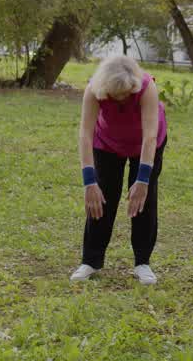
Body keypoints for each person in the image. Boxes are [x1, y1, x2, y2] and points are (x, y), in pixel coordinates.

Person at [70, 56, 168, 285]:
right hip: (107, 142)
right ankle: (91, 261)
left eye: (127, 93)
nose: (123, 98)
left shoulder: (146, 87)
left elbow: (150, 136)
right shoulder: (93, 89)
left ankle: (142, 262)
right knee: (101, 198)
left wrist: (143, 180)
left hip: (146, 143)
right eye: (117, 94)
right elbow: (85, 134)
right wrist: (89, 182)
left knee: (143, 199)